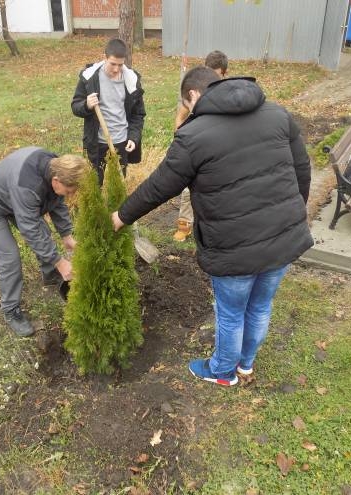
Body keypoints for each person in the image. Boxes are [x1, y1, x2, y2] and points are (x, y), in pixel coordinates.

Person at [111, 67, 313, 386]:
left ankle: (222, 373)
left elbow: (159, 187)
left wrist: (119, 217)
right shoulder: (277, 115)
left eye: (186, 104)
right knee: (260, 305)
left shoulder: (194, 136)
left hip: (232, 247)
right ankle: (245, 365)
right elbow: (302, 169)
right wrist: (291, 217)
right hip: (283, 237)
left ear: (193, 95)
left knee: (232, 313)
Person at [0, 148, 89, 337]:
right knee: (10, 256)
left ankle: (51, 275)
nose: (69, 195)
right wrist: (60, 261)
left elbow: (56, 202)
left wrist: (67, 236)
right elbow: (30, 229)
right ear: (56, 181)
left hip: (14, 198)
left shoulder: (56, 167)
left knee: (43, 232)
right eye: (68, 191)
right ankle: (11, 311)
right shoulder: (28, 186)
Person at [71, 38, 146, 185]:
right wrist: (86, 105)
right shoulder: (90, 78)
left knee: (117, 186)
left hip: (121, 142)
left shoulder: (131, 81)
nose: (116, 69)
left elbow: (138, 114)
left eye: (120, 64)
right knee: (94, 184)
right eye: (112, 64)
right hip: (96, 143)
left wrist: (133, 137)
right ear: (104, 57)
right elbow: (75, 106)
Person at [172, 50, 228, 242]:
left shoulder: (228, 95)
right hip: (197, 147)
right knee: (188, 188)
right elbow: (181, 115)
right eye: (209, 72)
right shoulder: (196, 91)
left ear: (224, 74)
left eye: (217, 74)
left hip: (219, 150)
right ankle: (184, 225)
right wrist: (179, 133)